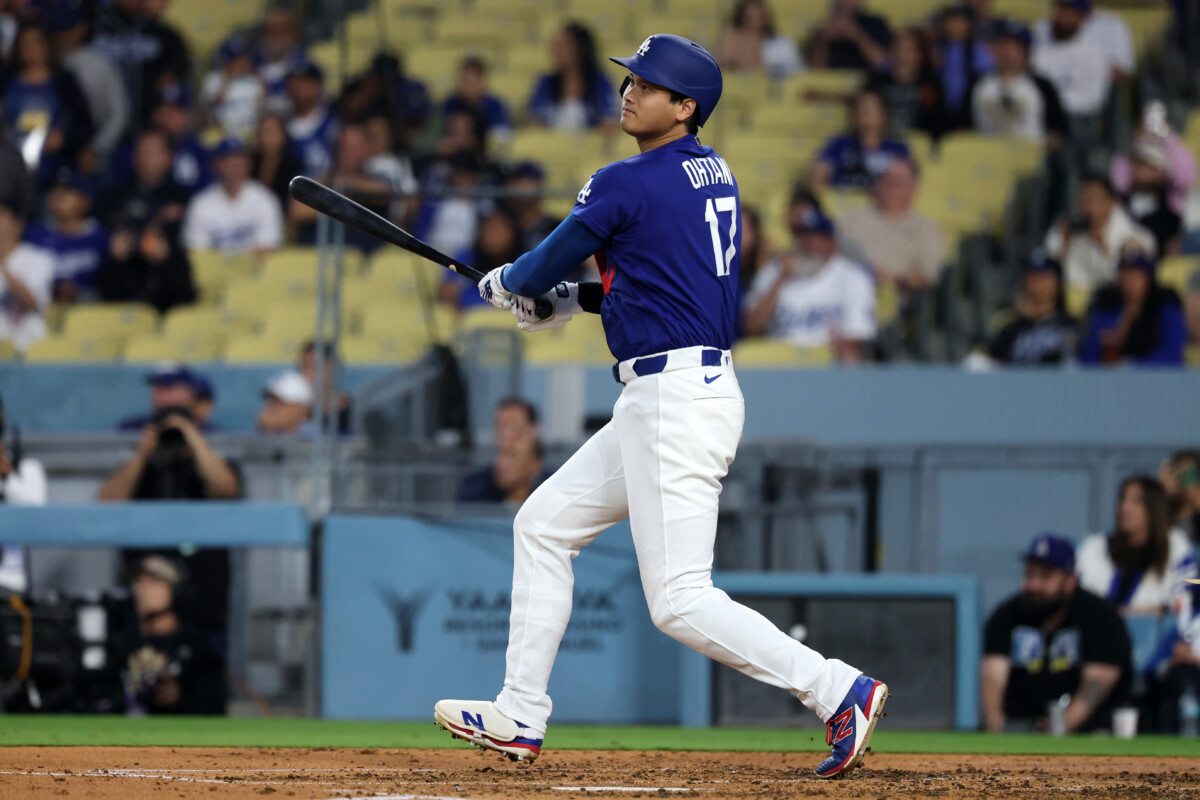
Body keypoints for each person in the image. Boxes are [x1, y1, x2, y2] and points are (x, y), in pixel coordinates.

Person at [437, 36, 888, 779]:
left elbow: (540, 265)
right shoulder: (711, 174)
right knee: (543, 525)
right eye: (630, 81)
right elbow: (649, 282)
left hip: (670, 399)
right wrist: (561, 299)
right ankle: (520, 711)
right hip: (674, 391)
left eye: (649, 86)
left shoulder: (624, 179)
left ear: (686, 107)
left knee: (679, 600)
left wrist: (512, 285)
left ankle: (837, 688)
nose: (630, 92)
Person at [981, 533, 1132, 733]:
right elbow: (993, 675)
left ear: (1070, 581)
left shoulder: (1099, 616)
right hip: (1020, 729)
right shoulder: (1007, 616)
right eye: (1029, 574)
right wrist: (994, 723)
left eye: (1045, 576)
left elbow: (1098, 682)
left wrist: (1060, 727)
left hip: (1088, 733)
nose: (1034, 585)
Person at [742, 207, 876, 361]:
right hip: (781, 358)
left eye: (817, 236)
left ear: (832, 241)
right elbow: (752, 325)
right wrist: (781, 279)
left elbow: (857, 335)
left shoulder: (853, 276)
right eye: (803, 236)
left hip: (826, 359)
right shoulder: (774, 271)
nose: (810, 243)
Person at [97, 129, 195, 312]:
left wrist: (164, 257)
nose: (146, 157)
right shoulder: (115, 197)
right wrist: (112, 256)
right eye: (141, 151)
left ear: (169, 158)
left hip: (168, 285)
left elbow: (186, 290)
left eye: (153, 151)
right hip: (123, 281)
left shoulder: (183, 198)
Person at [119, 554, 226, 715]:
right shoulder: (120, 641)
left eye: (154, 582)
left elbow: (215, 706)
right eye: (138, 582)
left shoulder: (195, 645)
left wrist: (181, 697)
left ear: (176, 589)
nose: (143, 590)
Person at [1076, 476, 1197, 613]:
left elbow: (1185, 601)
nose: (1125, 508)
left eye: (1137, 502)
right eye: (1123, 499)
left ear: (1154, 508)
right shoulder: (1095, 549)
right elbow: (1078, 598)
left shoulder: (1175, 548)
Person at [0, 23, 94, 185]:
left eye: (37, 43)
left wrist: (63, 138)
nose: (31, 50)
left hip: (53, 168)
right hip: (8, 167)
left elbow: (85, 125)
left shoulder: (64, 82)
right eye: (26, 44)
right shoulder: (6, 80)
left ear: (47, 45)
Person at [838, 158, 945, 291]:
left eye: (898, 182)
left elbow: (927, 276)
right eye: (886, 180)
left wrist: (889, 279)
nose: (890, 187)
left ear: (913, 187)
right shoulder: (850, 219)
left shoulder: (926, 228)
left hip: (897, 300)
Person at [91, 0, 191, 135]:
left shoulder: (164, 35)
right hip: (99, 125)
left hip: (150, 130)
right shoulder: (94, 29)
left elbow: (178, 76)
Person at [48, 1, 129, 167]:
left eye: (68, 27)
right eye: (58, 28)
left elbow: (119, 114)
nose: (62, 34)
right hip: (52, 149)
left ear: (82, 27)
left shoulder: (99, 64)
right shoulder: (44, 62)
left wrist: (95, 148)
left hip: (94, 154)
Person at [1045, 174, 1155, 293]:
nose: (1085, 206)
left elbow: (1132, 283)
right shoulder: (1066, 231)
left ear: (1112, 201)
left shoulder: (1138, 238)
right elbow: (1048, 275)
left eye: (1091, 199)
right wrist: (1064, 247)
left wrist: (1103, 248)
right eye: (1082, 199)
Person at [1078, 247, 1186, 366]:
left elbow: (1172, 355)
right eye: (1124, 274)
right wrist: (1123, 326)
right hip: (1109, 382)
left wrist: (1132, 367)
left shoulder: (1165, 308)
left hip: (1156, 380)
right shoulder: (1105, 307)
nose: (1129, 281)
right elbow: (1088, 357)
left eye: (1136, 275)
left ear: (1148, 278)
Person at [182, 138, 283, 259]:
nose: (233, 167)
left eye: (238, 160)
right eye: (227, 161)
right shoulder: (200, 204)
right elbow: (196, 252)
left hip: (257, 274)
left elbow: (269, 246)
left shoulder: (265, 198)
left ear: (248, 163)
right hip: (214, 275)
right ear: (217, 165)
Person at [971, 19, 1067, 146]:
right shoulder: (979, 84)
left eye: (1014, 46)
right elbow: (965, 128)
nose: (1006, 52)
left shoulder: (1042, 86)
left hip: (1029, 160)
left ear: (1026, 52)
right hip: (987, 160)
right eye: (1002, 45)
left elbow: (1058, 131)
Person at [23, 170, 108, 304]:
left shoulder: (101, 237)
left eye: (67, 192)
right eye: (54, 191)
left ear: (85, 200)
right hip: (43, 308)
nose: (58, 196)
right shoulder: (33, 236)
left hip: (91, 311)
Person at [986, 251, 1077, 365]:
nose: (1035, 282)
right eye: (1031, 275)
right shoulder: (1012, 330)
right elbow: (992, 364)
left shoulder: (1072, 327)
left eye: (1043, 276)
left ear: (1058, 284)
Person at [811, 88, 912, 190]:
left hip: (882, 204)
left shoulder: (897, 149)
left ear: (883, 114)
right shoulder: (839, 144)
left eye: (867, 109)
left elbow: (907, 184)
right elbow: (819, 178)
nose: (862, 113)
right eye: (858, 109)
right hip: (843, 202)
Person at [1030, 0, 1111, 121]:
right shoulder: (1040, 44)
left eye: (1069, 12)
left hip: (1075, 119)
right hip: (1038, 112)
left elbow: (1093, 100)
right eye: (1061, 9)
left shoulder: (1094, 52)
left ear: (1081, 18)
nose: (1063, 17)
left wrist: (1052, 103)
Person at [527, 23, 616, 130]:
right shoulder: (546, 83)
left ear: (580, 48)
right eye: (556, 45)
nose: (557, 50)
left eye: (564, 45)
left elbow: (608, 122)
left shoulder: (600, 83)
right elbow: (535, 121)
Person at [1113, 102, 1196, 218]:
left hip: (1166, 217)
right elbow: (1119, 183)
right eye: (1148, 120)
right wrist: (1136, 140)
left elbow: (1187, 178)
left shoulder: (1172, 148)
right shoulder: (1132, 149)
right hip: (1132, 215)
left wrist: (1168, 137)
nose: (1152, 127)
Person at [866, 26, 945, 138]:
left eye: (908, 49)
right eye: (898, 48)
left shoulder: (931, 85)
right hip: (885, 141)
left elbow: (936, 124)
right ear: (891, 51)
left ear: (919, 54)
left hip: (919, 142)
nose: (902, 54)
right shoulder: (876, 82)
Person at [440, 210, 524, 311]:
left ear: (513, 232)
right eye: (486, 228)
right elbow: (446, 296)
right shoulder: (465, 257)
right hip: (468, 321)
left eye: (496, 229)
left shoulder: (524, 262)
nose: (490, 234)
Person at [0, 198, 54, 353]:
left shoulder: (39, 258)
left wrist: (3, 264)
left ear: (18, 225)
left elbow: (32, 302)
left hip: (29, 347)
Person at [1116, 136, 1182, 257]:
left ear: (1161, 172)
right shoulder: (1115, 204)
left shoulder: (1171, 219)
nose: (1138, 168)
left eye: (1146, 164)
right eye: (1136, 162)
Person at [934, 4, 995, 133]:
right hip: (942, 108)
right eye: (952, 21)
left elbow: (985, 76)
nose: (956, 26)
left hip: (968, 107)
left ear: (969, 24)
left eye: (960, 21)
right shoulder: (938, 49)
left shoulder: (978, 49)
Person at [149, 86, 213, 196]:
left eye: (171, 113)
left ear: (187, 116)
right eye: (161, 111)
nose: (165, 119)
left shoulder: (200, 153)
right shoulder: (144, 150)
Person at [200, 33, 265, 142]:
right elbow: (210, 110)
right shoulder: (213, 79)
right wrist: (228, 78)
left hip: (250, 133)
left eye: (244, 58)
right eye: (237, 60)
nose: (242, 63)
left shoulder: (254, 80)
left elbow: (262, 104)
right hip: (223, 134)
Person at [716, 0, 804, 79]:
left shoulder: (784, 45)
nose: (755, 23)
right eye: (749, 19)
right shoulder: (731, 39)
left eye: (759, 18)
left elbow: (799, 75)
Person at [457, 434, 547, 505]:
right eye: (500, 453)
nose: (501, 463)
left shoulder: (549, 505)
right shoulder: (475, 502)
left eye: (512, 455)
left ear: (535, 465)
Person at [804, 0, 891, 71]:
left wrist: (856, 35)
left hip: (869, 85)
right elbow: (815, 70)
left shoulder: (875, 24)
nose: (843, 2)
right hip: (831, 86)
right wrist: (823, 39)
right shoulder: (824, 26)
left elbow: (885, 66)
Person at [285, 61, 337, 177]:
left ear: (318, 86)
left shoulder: (334, 124)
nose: (297, 88)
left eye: (304, 82)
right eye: (293, 82)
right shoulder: (281, 126)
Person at [442, 56, 513, 138]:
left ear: (481, 82)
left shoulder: (495, 106)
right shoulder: (450, 104)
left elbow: (502, 134)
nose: (463, 85)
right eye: (461, 80)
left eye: (469, 81)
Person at [251, 111, 305, 212]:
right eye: (262, 132)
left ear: (283, 135)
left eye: (271, 132)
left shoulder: (294, 168)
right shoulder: (250, 166)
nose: (266, 138)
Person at [256, 7, 306, 113]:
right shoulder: (252, 65)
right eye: (271, 32)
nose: (276, 38)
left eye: (282, 32)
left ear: (294, 36)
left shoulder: (304, 68)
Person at [502, 162, 559, 252]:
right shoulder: (504, 229)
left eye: (528, 182)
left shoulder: (556, 228)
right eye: (517, 181)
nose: (521, 188)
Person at [255, 369, 313, 434]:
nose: (270, 408)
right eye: (270, 402)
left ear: (301, 409)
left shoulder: (314, 438)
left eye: (279, 403)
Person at [1160, 450, 1200, 544]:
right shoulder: (1163, 514)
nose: (1181, 481)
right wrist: (1161, 492)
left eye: (1188, 475)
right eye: (1176, 473)